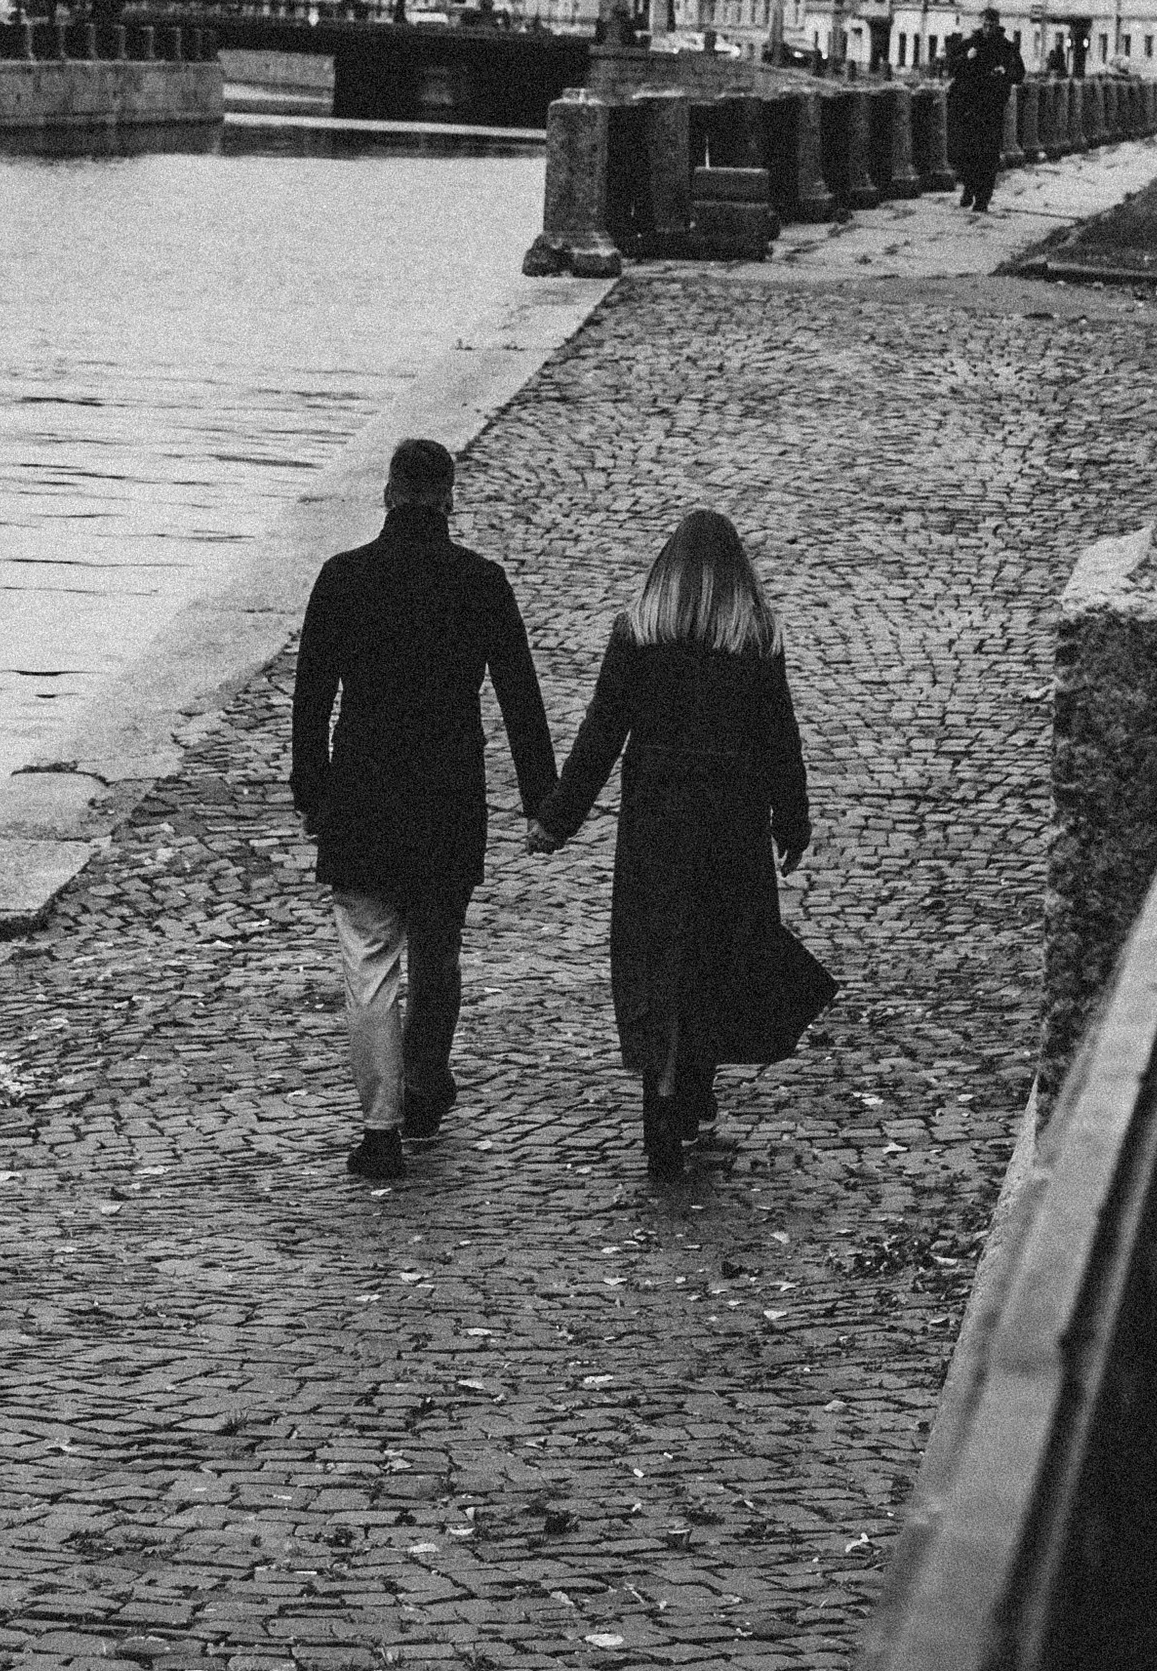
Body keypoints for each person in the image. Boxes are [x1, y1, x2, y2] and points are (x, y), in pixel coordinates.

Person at [529, 510, 836, 1182]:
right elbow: (779, 740)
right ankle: (693, 1087)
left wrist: (558, 819)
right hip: (732, 818)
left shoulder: (640, 631)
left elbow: (601, 733)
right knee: (714, 952)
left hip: (658, 819)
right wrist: (793, 822)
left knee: (656, 952)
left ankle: (661, 1087)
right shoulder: (754, 636)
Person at [291, 435, 555, 1185]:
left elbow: (312, 701)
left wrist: (312, 792)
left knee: (369, 967)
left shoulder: (342, 579)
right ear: (448, 498)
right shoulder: (481, 581)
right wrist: (544, 801)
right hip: (447, 798)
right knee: (438, 956)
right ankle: (426, 1082)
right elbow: (519, 698)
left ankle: (380, 1130)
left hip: (364, 798)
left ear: (386, 495)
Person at [944, 5, 1026, 213]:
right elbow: (949, 66)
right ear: (981, 24)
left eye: (992, 25)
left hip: (992, 108)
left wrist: (1005, 71)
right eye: (985, 25)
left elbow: (1019, 72)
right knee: (966, 152)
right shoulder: (970, 44)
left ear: (997, 25)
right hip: (968, 107)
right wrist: (967, 58)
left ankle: (983, 198)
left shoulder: (1006, 47)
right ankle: (969, 189)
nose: (988, 29)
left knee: (988, 155)